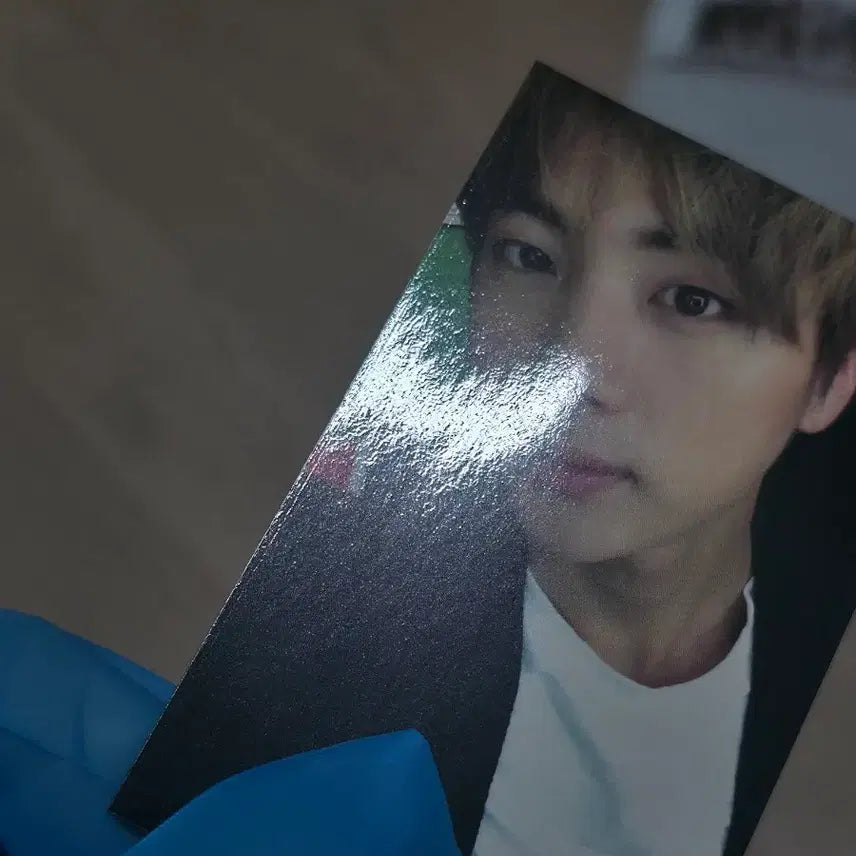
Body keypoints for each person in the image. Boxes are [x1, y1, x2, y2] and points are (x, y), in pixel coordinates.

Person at [112, 63, 856, 856]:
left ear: (831, 379)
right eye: (528, 257)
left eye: (691, 300)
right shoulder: (304, 653)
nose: (567, 372)